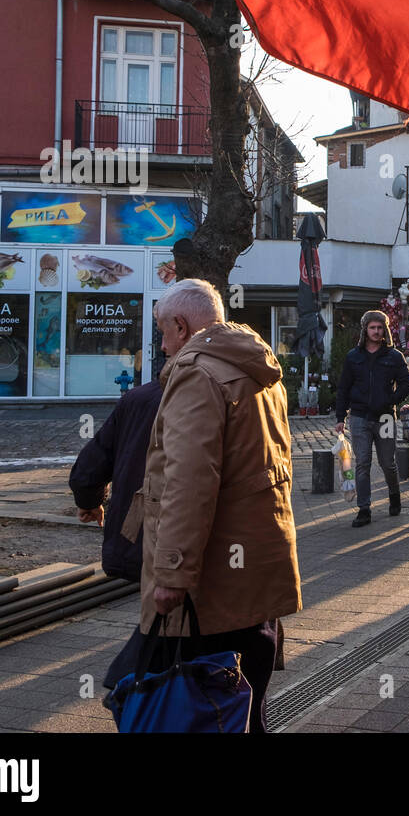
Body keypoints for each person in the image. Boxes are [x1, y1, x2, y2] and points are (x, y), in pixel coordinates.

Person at [130, 279, 301, 734]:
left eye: (163, 333)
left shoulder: (198, 373)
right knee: (248, 704)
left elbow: (188, 482)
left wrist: (171, 572)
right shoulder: (257, 368)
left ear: (181, 326)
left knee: (197, 703)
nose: (163, 346)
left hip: (211, 585)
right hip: (255, 569)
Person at [70, 378, 162, 582]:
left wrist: (89, 501)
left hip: (147, 542)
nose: (163, 345)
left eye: (166, 343)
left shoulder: (139, 398)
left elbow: (93, 462)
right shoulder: (241, 393)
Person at [336, 310, 409, 528]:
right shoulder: (354, 356)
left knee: (388, 462)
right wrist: (340, 417)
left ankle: (394, 494)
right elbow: (343, 388)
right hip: (359, 417)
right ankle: (364, 508)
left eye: (380, 328)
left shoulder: (394, 356)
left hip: (385, 417)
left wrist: (392, 399)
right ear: (365, 329)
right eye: (372, 328)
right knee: (362, 463)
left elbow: (408, 382)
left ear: (385, 330)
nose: (376, 331)